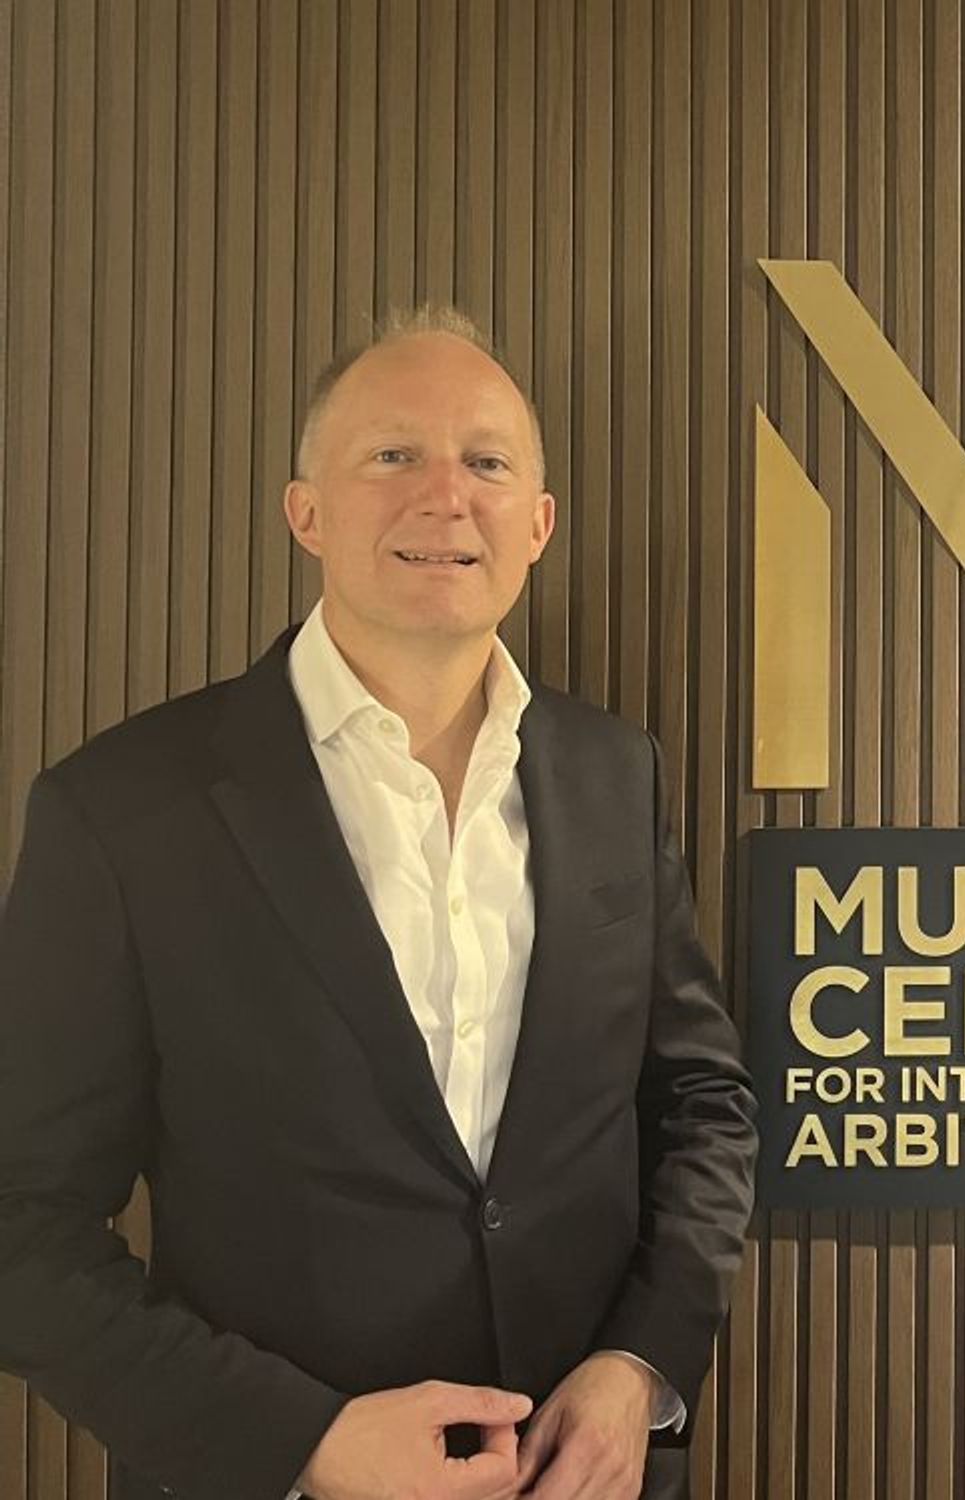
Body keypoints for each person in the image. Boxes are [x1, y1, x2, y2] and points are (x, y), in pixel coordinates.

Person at [0, 308, 757, 1500]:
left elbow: (701, 1107)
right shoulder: (121, 811)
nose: (446, 496)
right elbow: (21, 1229)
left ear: (538, 525)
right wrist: (298, 1443)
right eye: (393, 455)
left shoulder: (618, 776)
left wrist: (639, 1365)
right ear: (306, 510)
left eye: (489, 462)